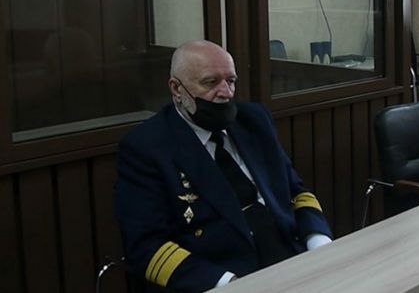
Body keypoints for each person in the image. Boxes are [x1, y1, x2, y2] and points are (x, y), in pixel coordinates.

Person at [114, 40, 332, 292]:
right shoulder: (148, 147)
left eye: (231, 81)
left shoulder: (253, 121)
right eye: (210, 82)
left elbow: (297, 193)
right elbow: (146, 246)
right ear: (176, 88)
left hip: (290, 259)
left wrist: (319, 244)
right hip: (219, 275)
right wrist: (228, 284)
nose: (225, 92)